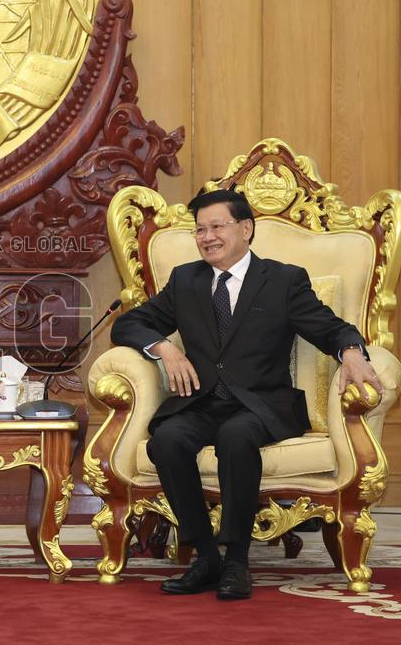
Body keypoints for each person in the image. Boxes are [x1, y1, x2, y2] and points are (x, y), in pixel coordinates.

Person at [111, 187, 382, 600]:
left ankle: (237, 559)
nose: (207, 237)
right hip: (203, 401)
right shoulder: (186, 280)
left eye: (216, 226)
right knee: (167, 439)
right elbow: (128, 326)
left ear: (245, 229)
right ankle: (205, 556)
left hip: (261, 403)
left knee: (235, 438)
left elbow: (328, 326)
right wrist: (164, 347)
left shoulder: (283, 280)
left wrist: (351, 353)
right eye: (200, 230)